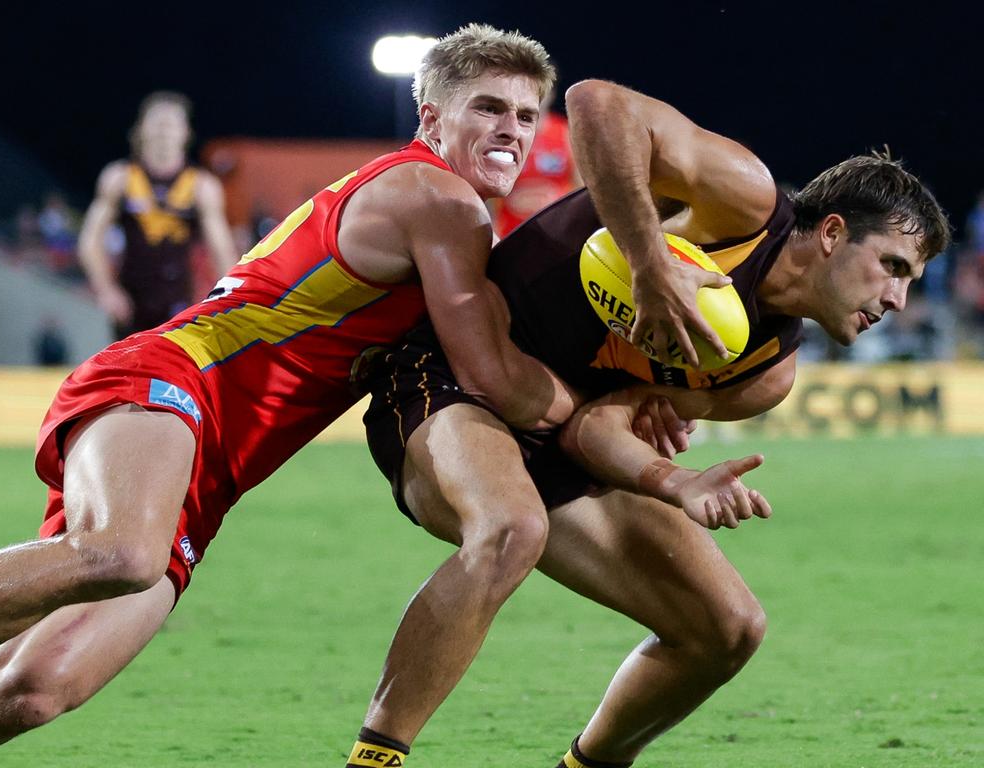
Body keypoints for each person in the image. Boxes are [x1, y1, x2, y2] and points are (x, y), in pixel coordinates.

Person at [0, 25, 581, 764]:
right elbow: (486, 373)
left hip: (214, 470)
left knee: (38, 686)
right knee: (121, 552)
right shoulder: (437, 197)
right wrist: (619, 423)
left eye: (525, 115)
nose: (511, 129)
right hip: (174, 378)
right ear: (432, 119)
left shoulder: (451, 218)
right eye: (487, 108)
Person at [354, 79, 951, 767]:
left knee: (727, 627)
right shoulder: (741, 202)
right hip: (448, 373)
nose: (901, 299)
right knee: (511, 526)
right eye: (893, 267)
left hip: (554, 427)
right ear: (834, 233)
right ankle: (375, 761)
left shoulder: (765, 374)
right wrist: (649, 262)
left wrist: (676, 482)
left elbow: (591, 431)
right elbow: (594, 103)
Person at [77, 91, 238, 339]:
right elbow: (89, 242)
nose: (164, 129)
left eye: (172, 122)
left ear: (186, 132)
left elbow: (222, 251)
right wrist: (106, 290)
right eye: (157, 121)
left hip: (178, 308)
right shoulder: (119, 178)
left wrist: (227, 302)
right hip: (129, 306)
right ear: (141, 130)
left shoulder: (201, 186)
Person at [490, 86, 580, 237]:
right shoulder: (504, 136)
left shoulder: (567, 134)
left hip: (558, 233)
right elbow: (489, 189)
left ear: (550, 95)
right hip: (511, 234)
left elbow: (581, 189)